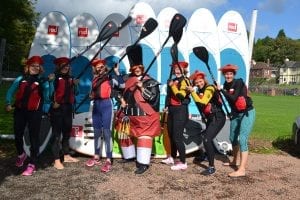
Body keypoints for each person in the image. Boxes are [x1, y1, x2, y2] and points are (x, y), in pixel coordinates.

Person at [5, 55, 51, 176]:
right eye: (33, 66)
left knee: (33, 137)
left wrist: (50, 84)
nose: (35, 68)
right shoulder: (21, 79)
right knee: (18, 134)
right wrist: (8, 102)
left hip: (35, 113)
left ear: (40, 68)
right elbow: (10, 91)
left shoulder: (43, 81)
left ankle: (32, 163)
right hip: (20, 111)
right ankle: (21, 154)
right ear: (28, 67)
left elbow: (47, 97)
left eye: (37, 66)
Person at [119, 45, 161, 174]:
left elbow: (153, 98)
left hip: (144, 116)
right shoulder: (126, 80)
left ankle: (143, 163)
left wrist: (142, 87)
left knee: (144, 137)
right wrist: (121, 100)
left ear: (142, 68)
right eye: (135, 68)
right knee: (124, 134)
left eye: (139, 68)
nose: (137, 70)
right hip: (128, 115)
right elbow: (117, 92)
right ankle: (129, 156)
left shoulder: (150, 82)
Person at [85, 57, 124, 173]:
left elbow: (122, 86)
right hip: (96, 105)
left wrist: (117, 72)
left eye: (102, 67)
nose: (100, 69)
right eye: (98, 68)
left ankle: (108, 159)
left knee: (106, 132)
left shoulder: (110, 78)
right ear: (95, 70)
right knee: (97, 132)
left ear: (105, 68)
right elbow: (92, 93)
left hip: (107, 105)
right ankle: (96, 156)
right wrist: (91, 96)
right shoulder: (95, 79)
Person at [218, 64, 256, 177]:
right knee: (232, 138)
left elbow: (234, 98)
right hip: (235, 114)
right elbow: (230, 102)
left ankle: (242, 169)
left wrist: (222, 90)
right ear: (224, 75)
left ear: (233, 74)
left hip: (247, 113)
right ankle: (235, 160)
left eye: (230, 73)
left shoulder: (238, 82)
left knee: (242, 138)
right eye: (226, 73)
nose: (228, 75)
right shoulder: (225, 85)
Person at [186, 70, 226, 175]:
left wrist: (192, 92)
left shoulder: (210, 88)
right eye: (197, 82)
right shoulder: (200, 90)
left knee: (207, 139)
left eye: (200, 81)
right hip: (210, 117)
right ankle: (207, 156)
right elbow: (201, 106)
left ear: (204, 80)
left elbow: (203, 101)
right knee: (206, 136)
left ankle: (211, 167)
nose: (199, 84)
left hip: (218, 117)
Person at [49, 57, 79, 170]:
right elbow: (49, 93)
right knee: (56, 135)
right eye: (63, 65)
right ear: (58, 66)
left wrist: (76, 84)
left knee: (66, 132)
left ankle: (66, 155)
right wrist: (53, 101)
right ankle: (56, 160)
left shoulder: (71, 78)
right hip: (57, 108)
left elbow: (77, 92)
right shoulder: (54, 77)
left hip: (68, 108)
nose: (66, 67)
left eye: (67, 65)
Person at [161, 61, 190, 171]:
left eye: (179, 69)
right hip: (172, 110)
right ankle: (172, 157)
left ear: (183, 70)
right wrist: (166, 106)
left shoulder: (186, 81)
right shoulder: (172, 81)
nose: (177, 71)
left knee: (177, 137)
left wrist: (172, 85)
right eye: (176, 69)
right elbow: (169, 95)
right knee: (171, 135)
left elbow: (181, 96)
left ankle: (183, 162)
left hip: (181, 110)